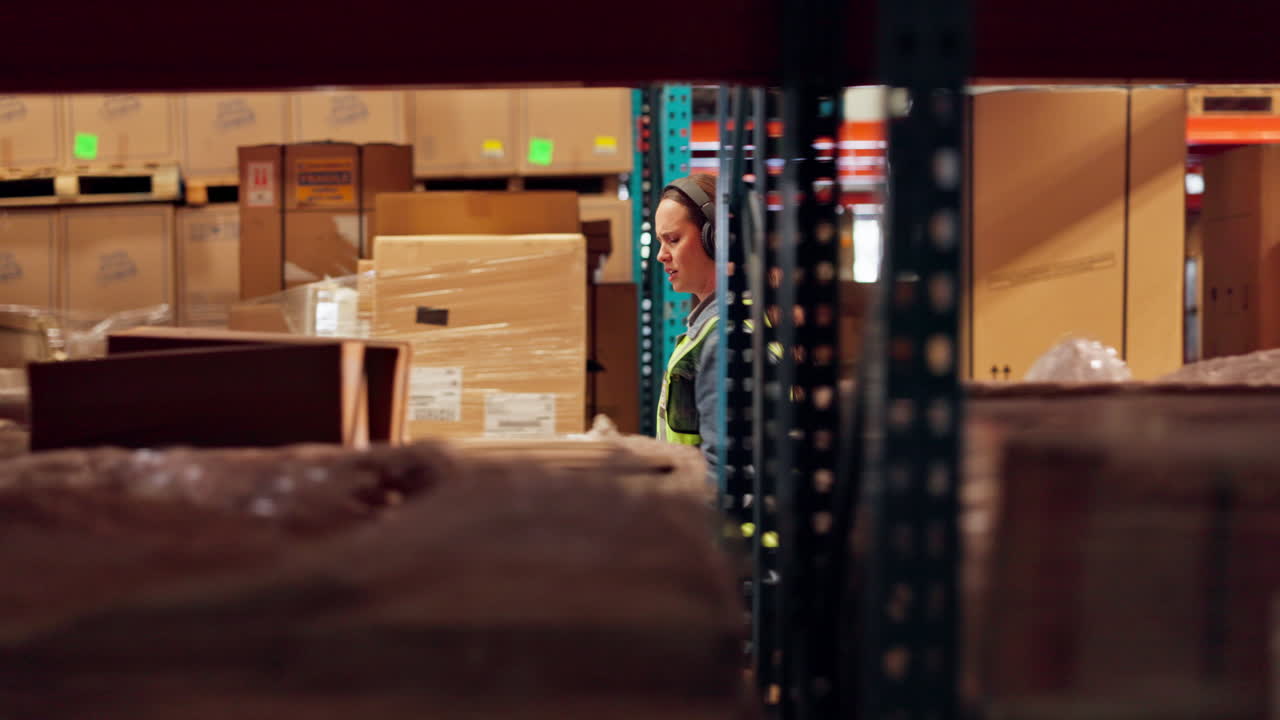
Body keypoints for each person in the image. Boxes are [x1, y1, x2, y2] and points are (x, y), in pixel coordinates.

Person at [654, 174, 725, 479]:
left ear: (715, 239)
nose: (661, 255)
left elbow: (720, 471)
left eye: (673, 239)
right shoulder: (708, 330)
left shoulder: (724, 339)